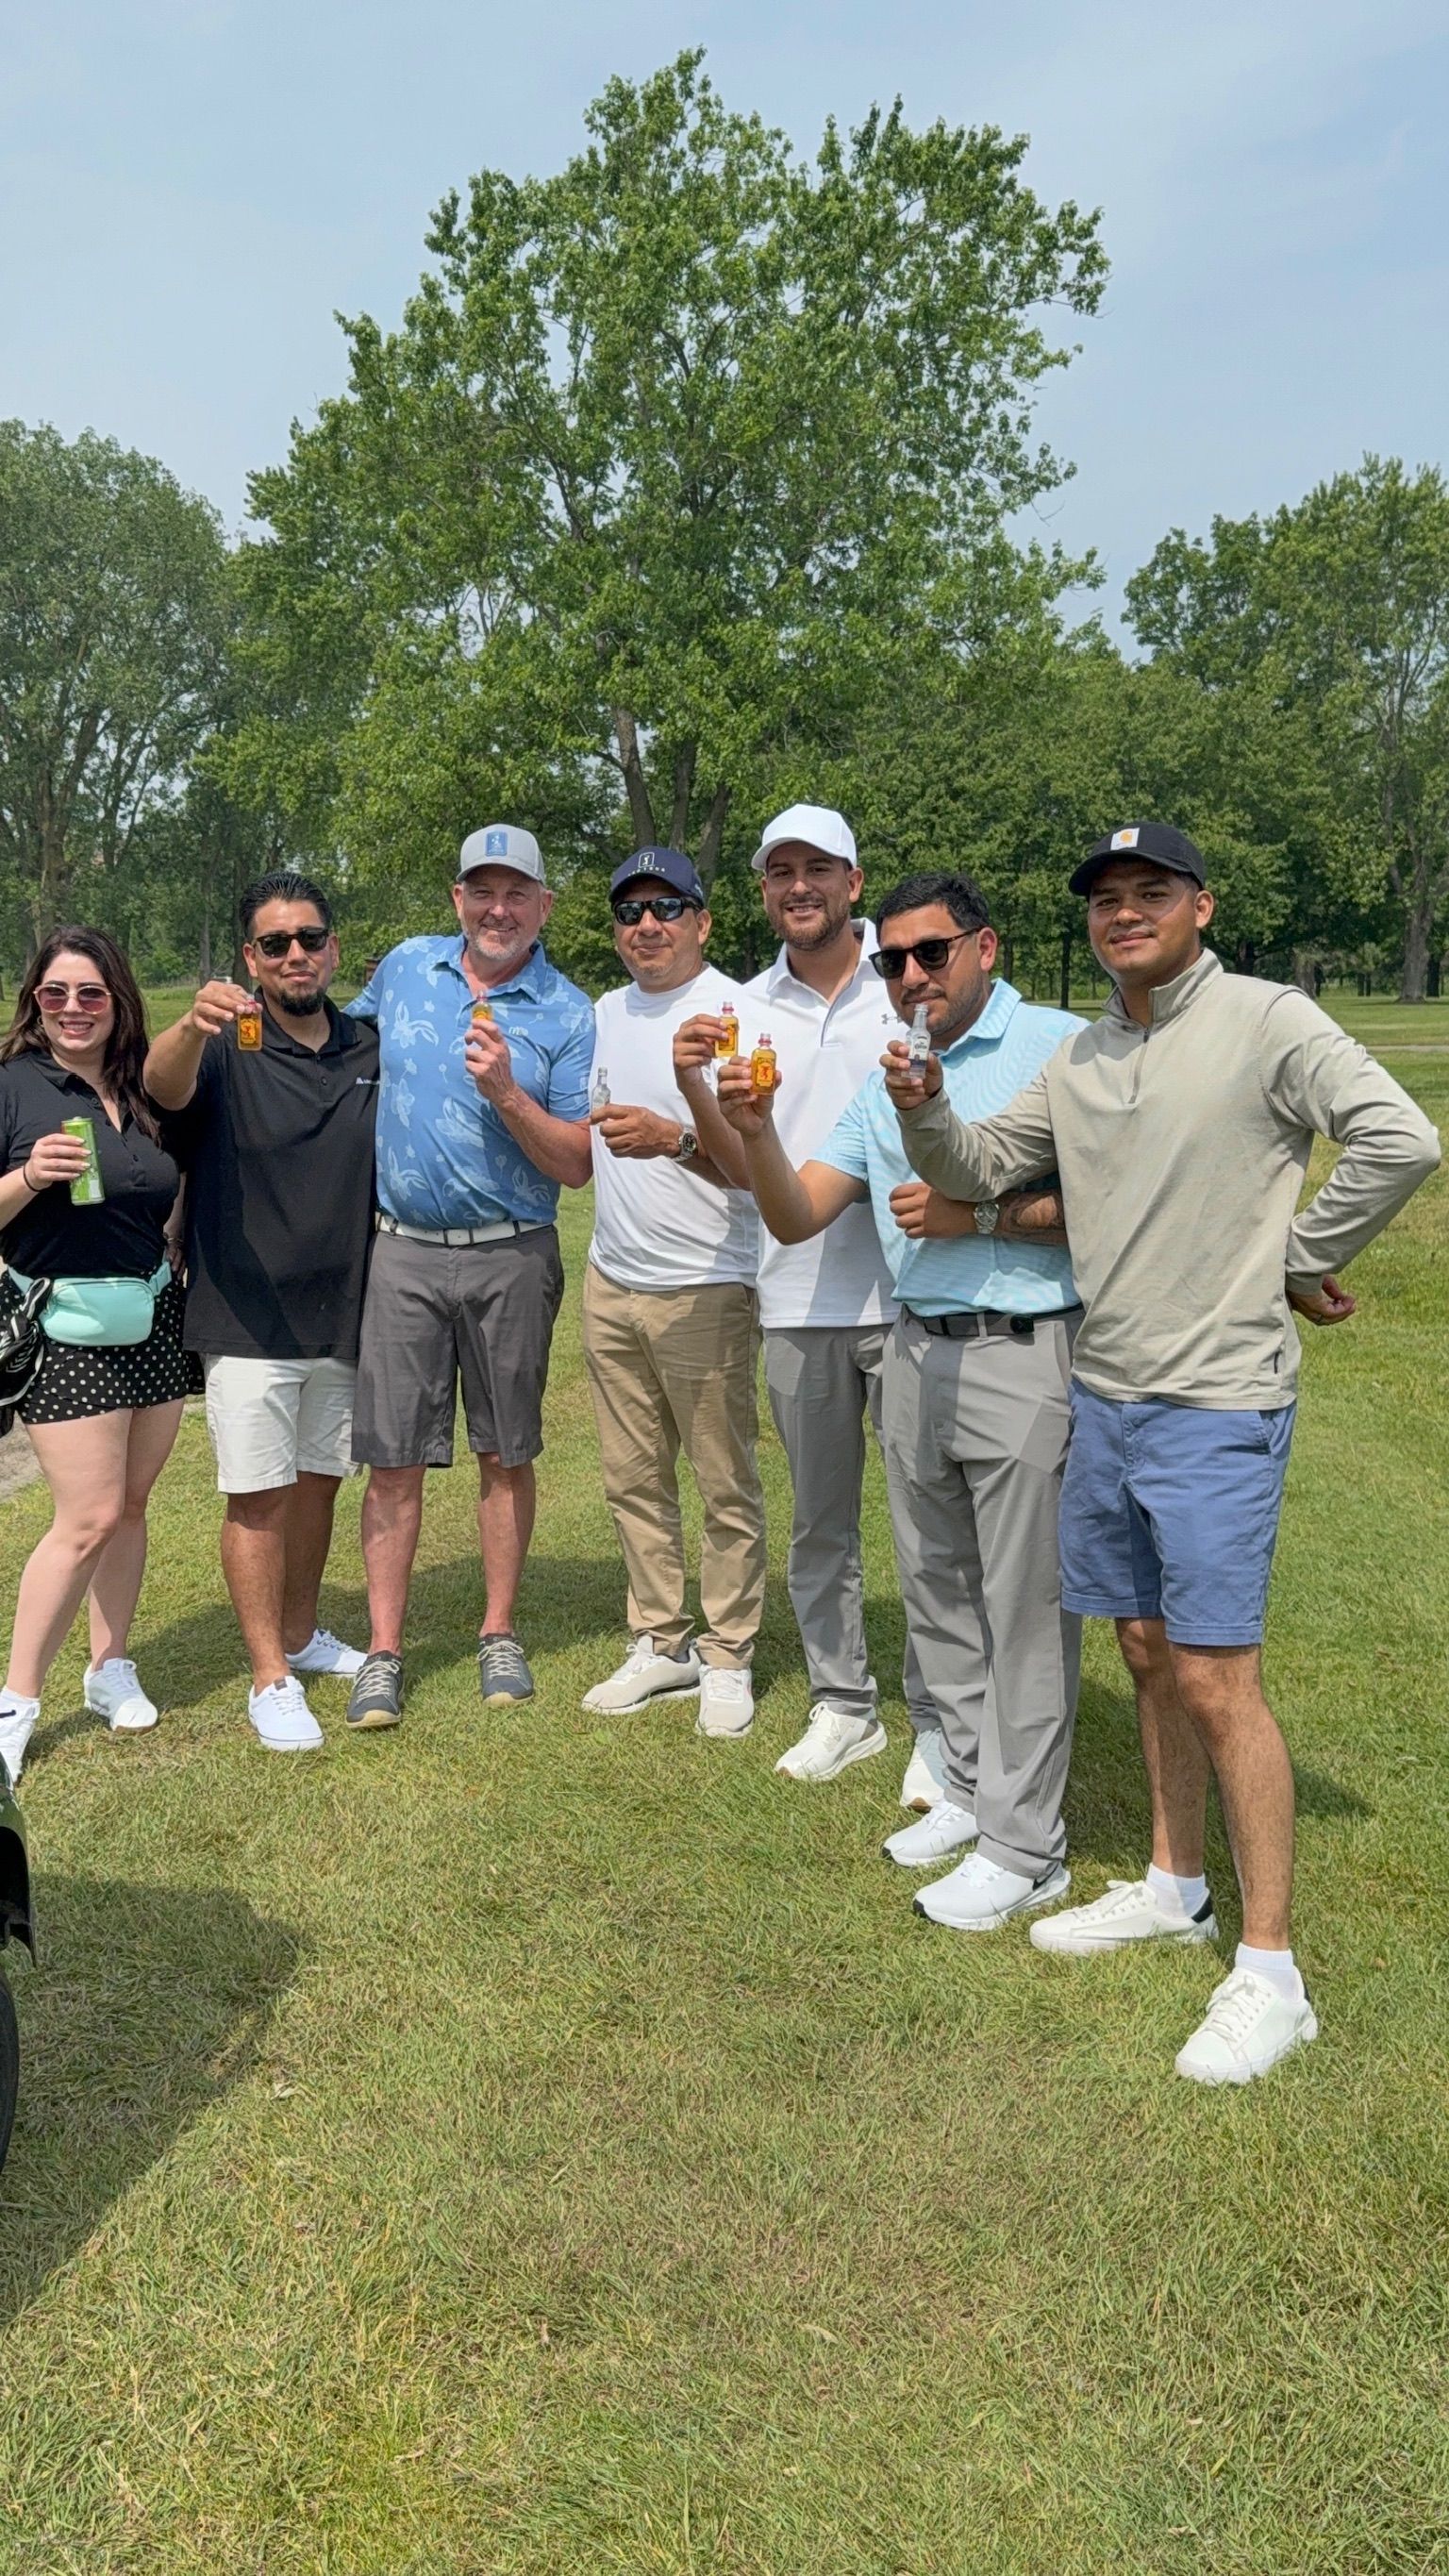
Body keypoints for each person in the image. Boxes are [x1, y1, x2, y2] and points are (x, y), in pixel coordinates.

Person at [891, 821, 1441, 2083]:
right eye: (1106, 898)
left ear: (1200, 905)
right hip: (1108, 1392)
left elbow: (1401, 1137)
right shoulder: (1086, 1052)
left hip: (1214, 1405)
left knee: (1214, 1677)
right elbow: (975, 1166)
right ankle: (1173, 1882)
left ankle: (1271, 1967)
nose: (1124, 912)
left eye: (1151, 892)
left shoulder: (1265, 1020)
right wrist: (921, 1107)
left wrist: (1298, 1260)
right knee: (1143, 1654)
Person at [718, 872, 1085, 1932]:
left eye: (933, 954)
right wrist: (750, 1131)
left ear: (986, 949)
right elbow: (795, 1217)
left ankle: (1028, 1848)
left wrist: (985, 1217)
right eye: (894, 961)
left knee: (1024, 1610)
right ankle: (967, 1790)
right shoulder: (891, 1074)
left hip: (1024, 1348)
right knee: (939, 1595)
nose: (912, 976)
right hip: (918, 1350)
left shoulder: (1061, 1045)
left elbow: (1115, 1199)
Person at [671, 803, 944, 1799]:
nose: (798, 886)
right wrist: (695, 1085)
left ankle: (944, 1721)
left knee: (926, 1526)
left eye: (817, 869)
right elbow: (744, 1170)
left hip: (914, 1292)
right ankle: (844, 1705)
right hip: (795, 1298)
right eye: (780, 871)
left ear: (854, 884)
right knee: (820, 1527)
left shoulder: (909, 985)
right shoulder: (746, 1005)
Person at [342, 825, 594, 1724]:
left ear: (542, 906)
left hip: (513, 1251)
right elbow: (332, 1050)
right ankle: (383, 1649)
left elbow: (575, 1165)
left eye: (516, 892)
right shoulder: (408, 966)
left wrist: (508, 1094)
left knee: (505, 1450)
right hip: (401, 1250)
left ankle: (497, 1631)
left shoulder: (567, 1010)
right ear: (457, 900)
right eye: (481, 891)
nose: (498, 908)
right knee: (393, 1460)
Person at [143, 871, 379, 1753]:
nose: (294, 956)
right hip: (244, 1314)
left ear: (333, 949)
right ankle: (267, 1678)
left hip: (345, 1312)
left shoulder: (365, 1045)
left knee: (319, 1483)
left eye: (309, 939)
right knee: (258, 1498)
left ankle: (302, 1633)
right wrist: (186, 1024)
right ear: (250, 956)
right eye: (274, 943)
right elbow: (162, 1094)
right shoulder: (223, 1044)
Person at [581, 848, 765, 1738]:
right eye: (629, 911)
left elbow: (762, 1169)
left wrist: (677, 1137)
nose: (645, 925)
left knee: (723, 1480)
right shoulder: (609, 1011)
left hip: (707, 1283)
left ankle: (729, 1655)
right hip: (612, 1279)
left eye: (667, 907)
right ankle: (661, 1641)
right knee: (632, 1477)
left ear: (703, 921)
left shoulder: (736, 1011)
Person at [0, 929, 189, 1782]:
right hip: (63, 1322)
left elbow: (170, 1187)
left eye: (91, 994)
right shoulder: (12, 1088)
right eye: (55, 994)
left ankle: (111, 1668)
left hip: (152, 1312)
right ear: (34, 1003)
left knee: (133, 1505)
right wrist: (31, 1175)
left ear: (119, 1001)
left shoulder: (141, 1086)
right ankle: (16, 1702)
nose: (72, 1008)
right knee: (84, 1518)